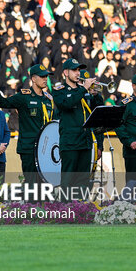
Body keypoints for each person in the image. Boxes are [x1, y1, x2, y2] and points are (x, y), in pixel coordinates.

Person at [0, 64, 54, 185]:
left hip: (45, 148)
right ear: (33, 79)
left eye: (46, 76)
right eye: (42, 76)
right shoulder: (24, 96)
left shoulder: (48, 99)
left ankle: (45, 204)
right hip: (29, 148)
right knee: (31, 183)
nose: (45, 79)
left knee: (46, 184)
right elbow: (3, 102)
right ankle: (31, 204)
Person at [52, 59, 103, 194]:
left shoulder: (83, 90)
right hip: (70, 143)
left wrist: (96, 96)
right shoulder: (59, 90)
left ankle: (81, 211)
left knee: (83, 182)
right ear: (65, 72)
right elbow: (67, 104)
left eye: (78, 70)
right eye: (74, 70)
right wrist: (84, 89)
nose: (77, 73)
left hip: (85, 142)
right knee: (68, 182)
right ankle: (65, 211)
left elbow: (98, 109)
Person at [115, 74, 136, 183]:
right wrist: (130, 141)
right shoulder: (126, 104)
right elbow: (118, 124)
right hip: (134, 151)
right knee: (134, 184)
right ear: (134, 86)